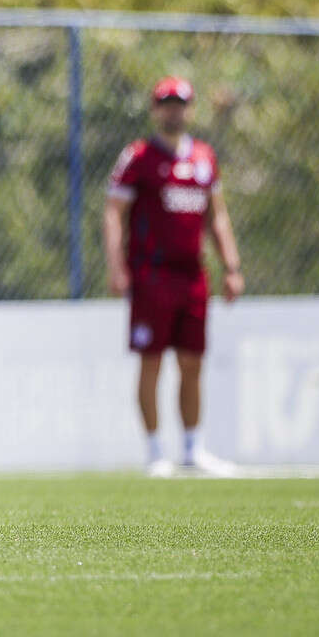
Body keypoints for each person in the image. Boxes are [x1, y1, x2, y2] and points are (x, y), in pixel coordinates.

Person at [103, 76, 244, 477]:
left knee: (192, 362)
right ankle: (154, 452)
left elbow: (217, 216)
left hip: (192, 276)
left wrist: (231, 266)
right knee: (151, 361)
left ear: (189, 108)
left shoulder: (203, 157)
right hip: (151, 274)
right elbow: (114, 212)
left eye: (180, 103)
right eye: (166, 103)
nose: (173, 110)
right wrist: (117, 267)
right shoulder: (139, 157)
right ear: (155, 109)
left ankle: (193, 449)